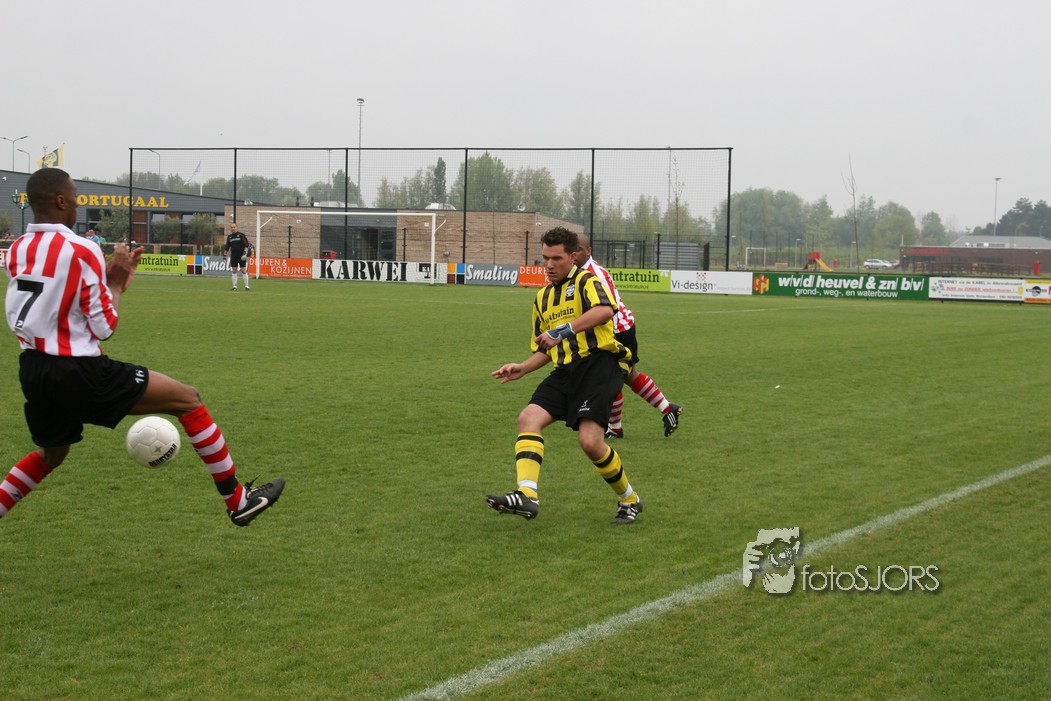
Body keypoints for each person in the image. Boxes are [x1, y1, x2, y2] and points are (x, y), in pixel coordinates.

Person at [1, 168, 284, 526]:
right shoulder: (82, 248)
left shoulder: (18, 249)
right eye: (74, 198)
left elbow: (52, 300)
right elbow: (104, 327)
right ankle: (237, 500)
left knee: (51, 454)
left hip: (33, 370)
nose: (77, 204)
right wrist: (115, 285)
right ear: (60, 201)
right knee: (188, 399)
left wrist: (102, 279)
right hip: (79, 370)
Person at [488, 227, 643, 525]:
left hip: (600, 365)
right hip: (565, 370)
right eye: (545, 258)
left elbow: (605, 310)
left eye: (556, 258)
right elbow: (545, 347)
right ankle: (527, 495)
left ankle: (629, 499)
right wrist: (523, 367)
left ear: (572, 257)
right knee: (528, 419)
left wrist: (563, 330)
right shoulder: (542, 297)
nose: (548, 265)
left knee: (590, 442)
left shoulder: (587, 280)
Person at [574, 233, 682, 439]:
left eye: (578, 249)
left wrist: (604, 337)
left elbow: (609, 308)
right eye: (572, 250)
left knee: (610, 379)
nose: (574, 253)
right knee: (628, 376)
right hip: (616, 329)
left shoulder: (595, 274)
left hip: (617, 331)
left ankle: (615, 428)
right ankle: (667, 408)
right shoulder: (580, 272)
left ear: (588, 250)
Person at [222, 222, 251, 291]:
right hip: (233, 256)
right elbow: (227, 247)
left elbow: (246, 245)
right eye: (232, 227)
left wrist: (244, 253)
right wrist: (224, 256)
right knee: (234, 270)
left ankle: (247, 286)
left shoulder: (241, 235)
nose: (233, 228)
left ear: (237, 227)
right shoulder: (229, 237)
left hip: (241, 256)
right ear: (230, 228)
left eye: (234, 227)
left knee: (243, 270)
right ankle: (234, 286)